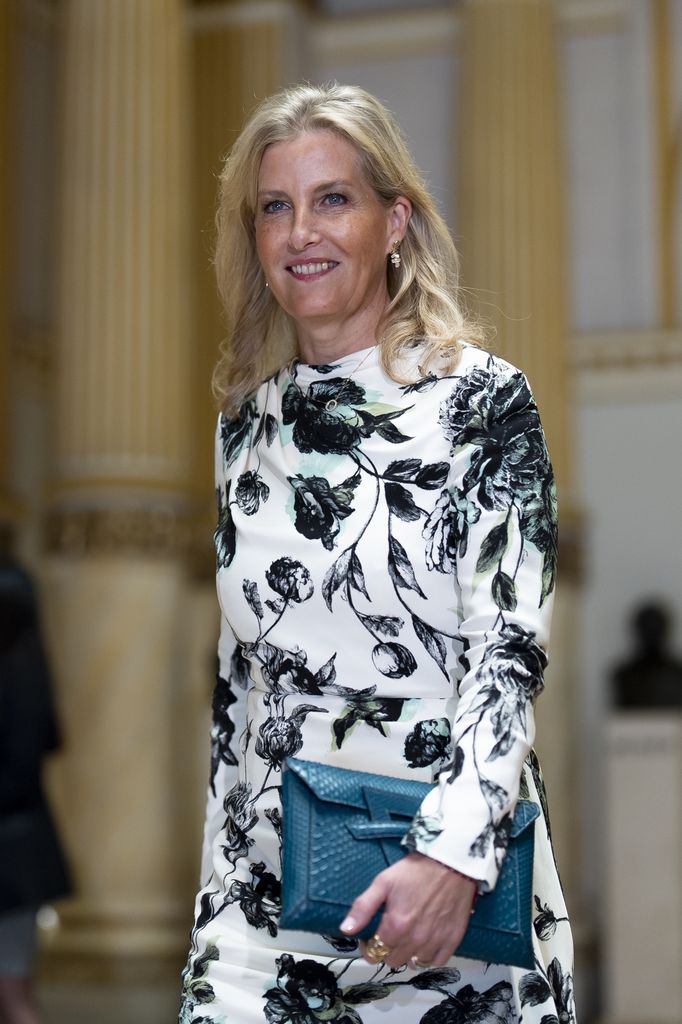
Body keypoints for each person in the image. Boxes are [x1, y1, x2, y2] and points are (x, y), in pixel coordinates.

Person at [180, 82, 575, 1023]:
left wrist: (451, 856)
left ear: (395, 221)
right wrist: (213, 912)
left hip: (447, 889)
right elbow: (238, 689)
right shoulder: (247, 423)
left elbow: (505, 654)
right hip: (263, 903)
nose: (299, 232)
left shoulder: (483, 402)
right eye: (274, 206)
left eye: (333, 199)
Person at [0, 559, 71, 1024]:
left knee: (13, 997)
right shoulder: (29, 670)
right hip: (20, 859)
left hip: (10, 860)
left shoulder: (13, 677)